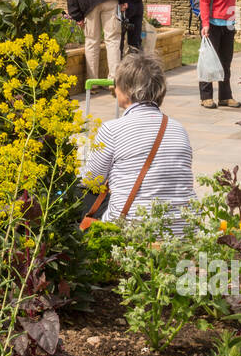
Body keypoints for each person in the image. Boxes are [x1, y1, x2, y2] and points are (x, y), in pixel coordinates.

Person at [82, 52, 195, 234]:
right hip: (183, 229)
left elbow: (90, 180)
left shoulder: (112, 129)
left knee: (76, 196)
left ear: (126, 90)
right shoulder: (178, 129)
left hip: (132, 230)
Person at [197, 0, 241, 110]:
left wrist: (234, 21)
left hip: (228, 24)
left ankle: (225, 96)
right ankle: (206, 96)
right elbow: (204, 1)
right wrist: (205, 24)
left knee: (226, 62)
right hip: (213, 24)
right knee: (209, 61)